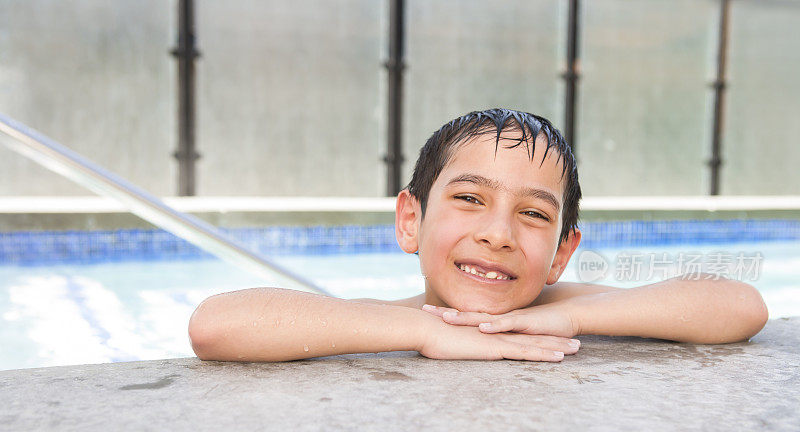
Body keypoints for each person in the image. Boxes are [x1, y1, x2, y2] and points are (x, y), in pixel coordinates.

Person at [188, 108, 768, 363]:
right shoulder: (394, 318)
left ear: (563, 254)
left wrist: (571, 318)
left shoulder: (560, 307)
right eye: (469, 199)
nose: (498, 234)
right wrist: (422, 330)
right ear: (410, 220)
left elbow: (740, 306)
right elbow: (215, 326)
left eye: (535, 215)